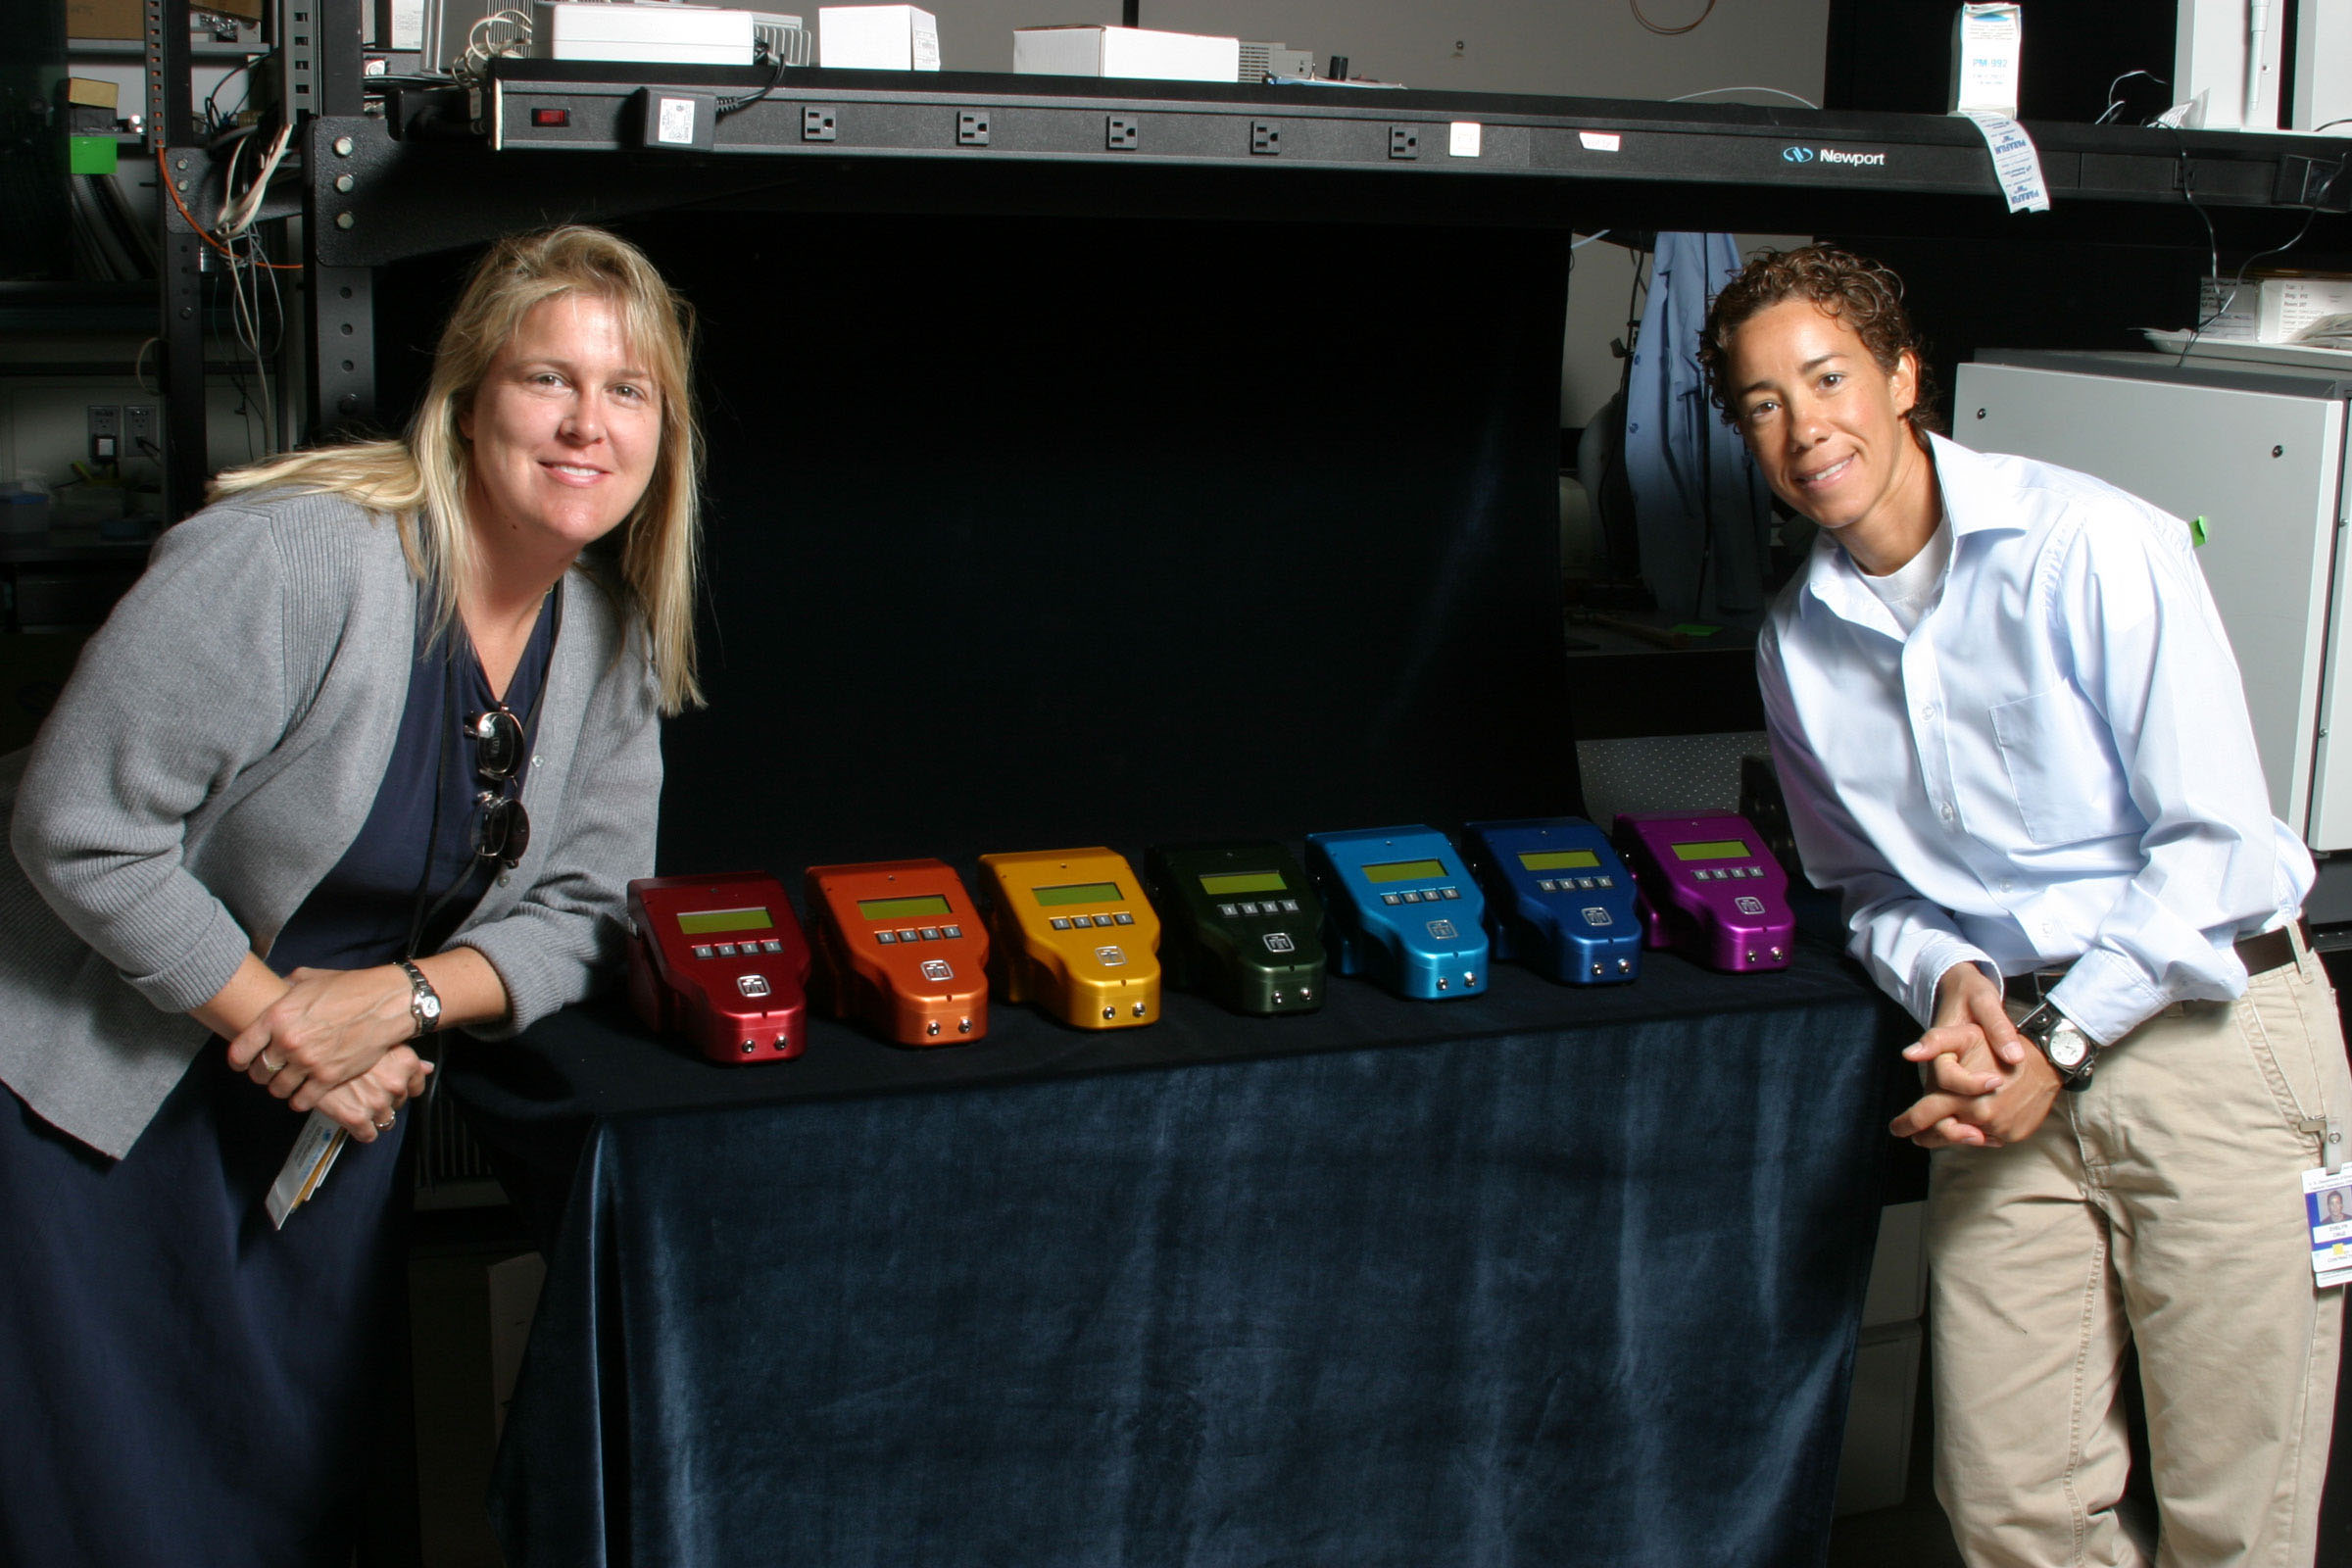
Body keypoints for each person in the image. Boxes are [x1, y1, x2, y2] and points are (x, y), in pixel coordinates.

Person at [0, 224, 703, 1565]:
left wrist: (406, 1000)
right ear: (465, 399)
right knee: (99, 1517)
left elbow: (599, 909)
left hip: (322, 1127)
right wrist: (288, 1024)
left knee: (299, 1505)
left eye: (627, 392)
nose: (585, 425)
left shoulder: (606, 639)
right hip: (84, 1100)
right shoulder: (299, 557)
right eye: (545, 378)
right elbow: (80, 828)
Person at [1700, 245, 2350, 1566]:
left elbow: (2219, 846)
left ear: (1900, 377)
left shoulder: (2093, 543)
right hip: (2006, 1073)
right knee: (2012, 1511)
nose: (1804, 424)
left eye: (1827, 378)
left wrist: (2058, 1041)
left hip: (2211, 1039)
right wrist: (1952, 984)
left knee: (2241, 1520)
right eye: (1764, 403)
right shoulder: (1798, 641)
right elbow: (1869, 890)